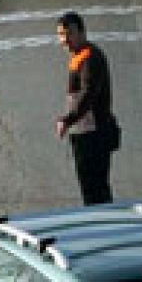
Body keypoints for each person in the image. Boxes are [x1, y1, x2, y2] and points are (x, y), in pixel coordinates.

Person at [54, 11, 117, 205]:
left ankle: (103, 227)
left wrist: (67, 119)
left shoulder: (90, 57)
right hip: (84, 132)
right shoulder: (79, 56)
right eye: (61, 35)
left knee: (95, 190)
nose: (65, 40)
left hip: (93, 135)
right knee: (91, 187)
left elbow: (88, 94)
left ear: (82, 32)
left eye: (69, 34)